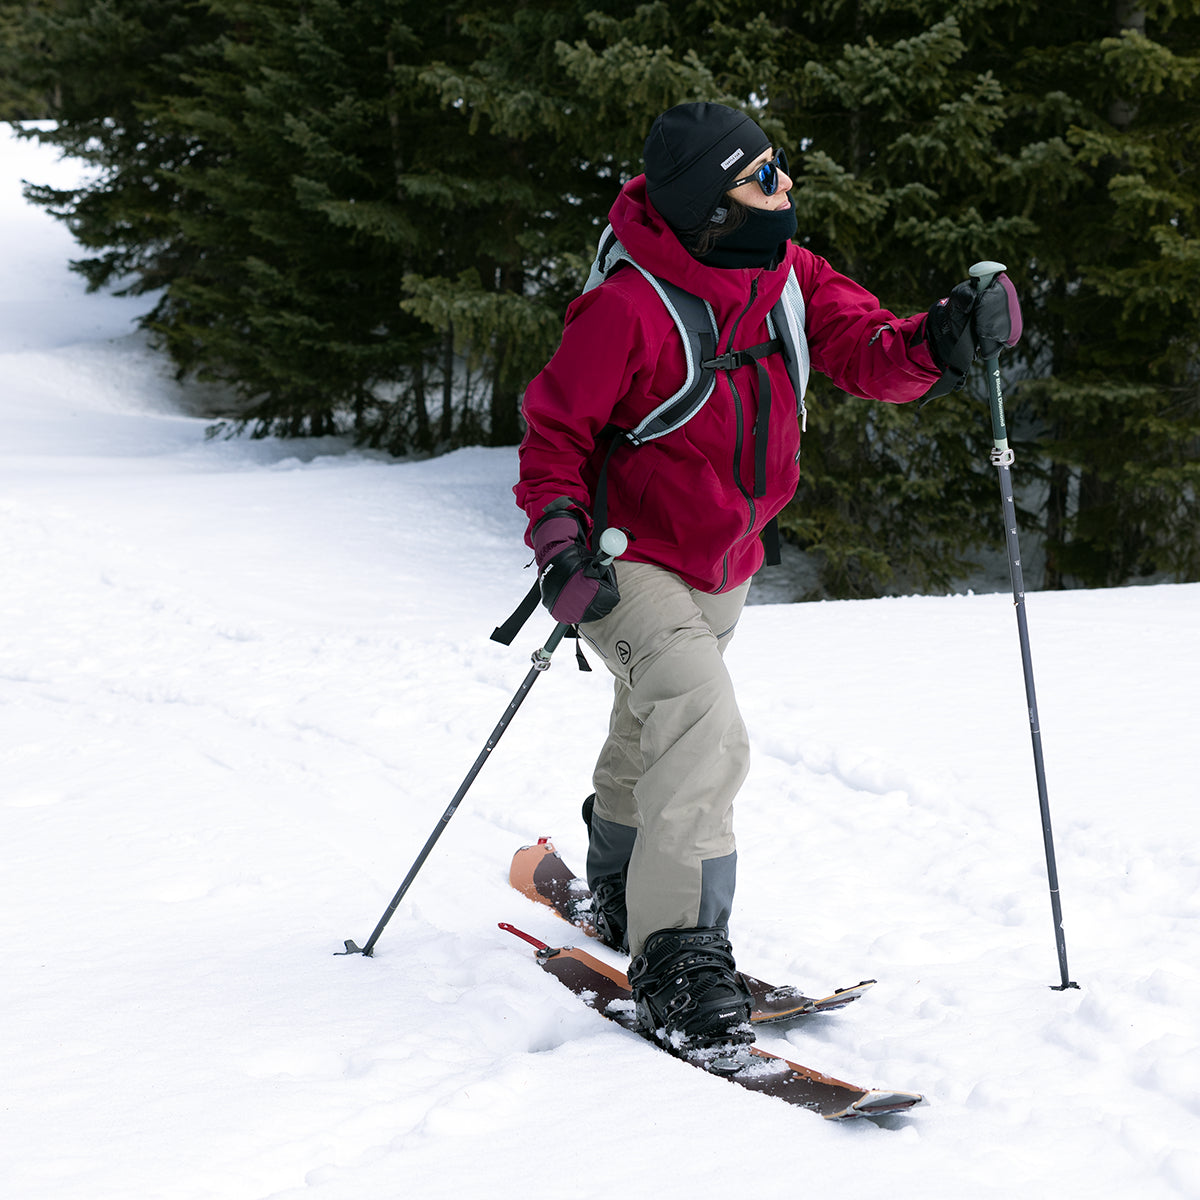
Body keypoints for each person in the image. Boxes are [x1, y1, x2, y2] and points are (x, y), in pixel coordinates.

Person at [514, 101, 1021, 1052]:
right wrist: (560, 545)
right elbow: (554, 432)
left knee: (654, 714)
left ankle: (622, 881)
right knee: (705, 727)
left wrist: (942, 342)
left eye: (779, 168)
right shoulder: (627, 309)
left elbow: (867, 349)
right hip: (627, 561)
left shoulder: (788, 275)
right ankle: (680, 955)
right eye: (764, 179)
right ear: (713, 207)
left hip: (724, 558)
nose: (785, 189)